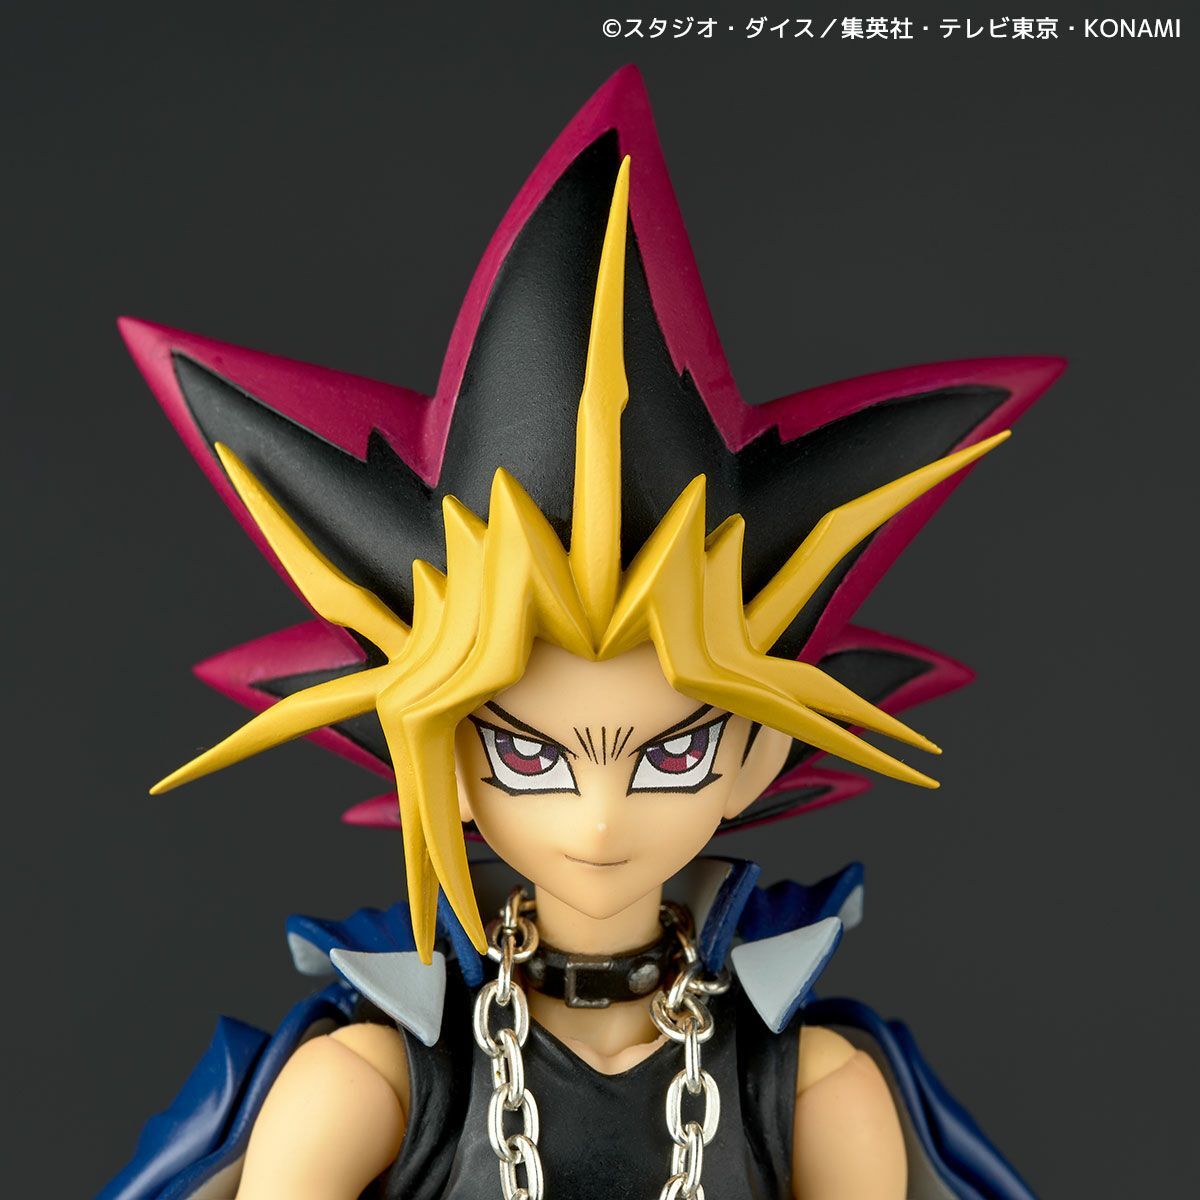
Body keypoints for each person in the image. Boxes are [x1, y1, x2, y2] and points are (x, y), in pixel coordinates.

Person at [101, 66, 1060, 1200]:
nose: (601, 818)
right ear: (436, 756)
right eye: (527, 754)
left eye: (672, 753)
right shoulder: (366, 1082)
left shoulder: (815, 1089)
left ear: (756, 752)